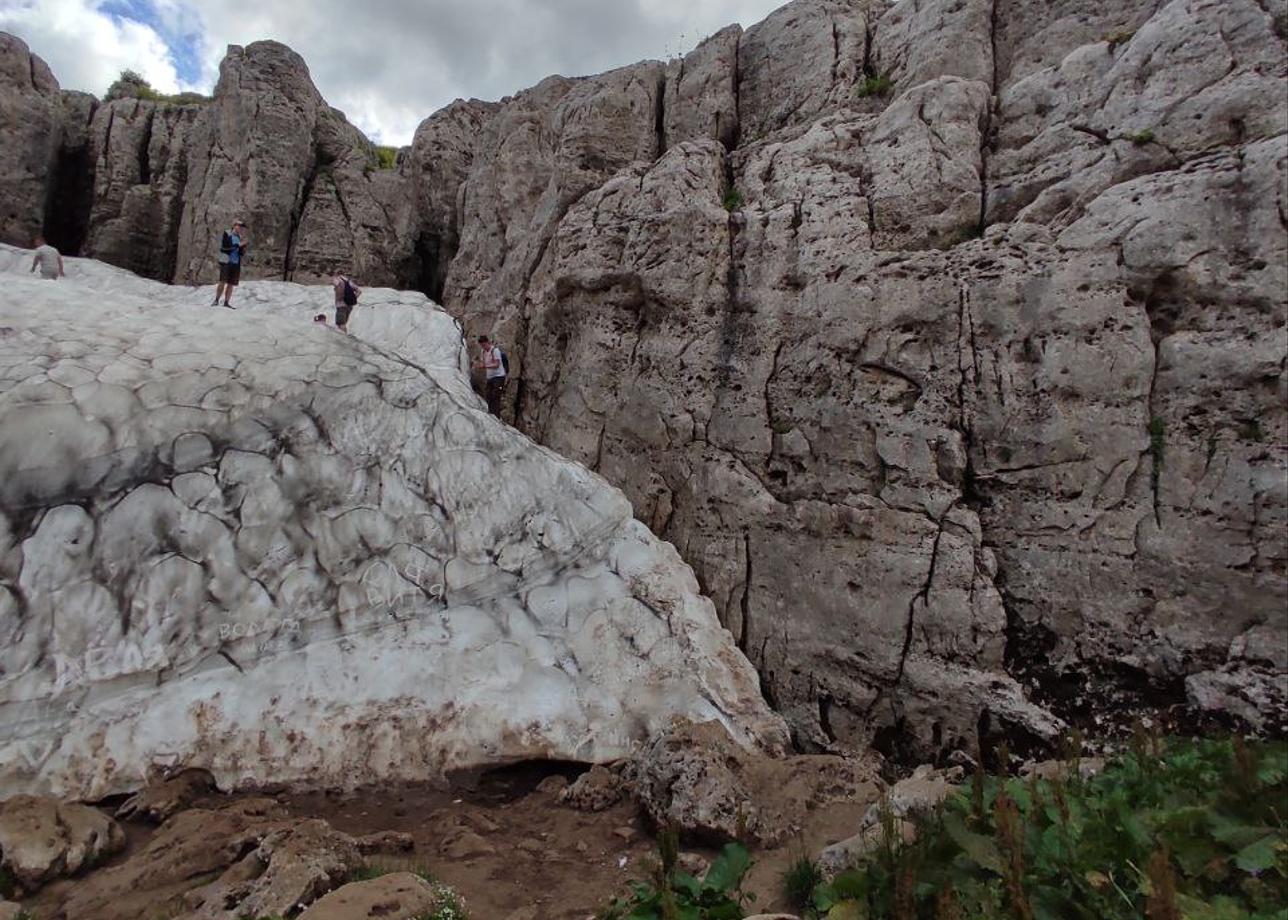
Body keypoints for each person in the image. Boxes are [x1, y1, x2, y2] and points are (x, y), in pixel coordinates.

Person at [213, 220, 248, 308]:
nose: (240, 228)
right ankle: (216, 300)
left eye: (242, 227)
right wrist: (239, 245)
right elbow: (225, 247)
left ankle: (226, 302)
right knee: (223, 281)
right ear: (234, 225)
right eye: (239, 226)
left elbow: (240, 252)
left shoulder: (240, 237)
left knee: (231, 283)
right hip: (226, 261)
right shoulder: (227, 233)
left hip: (236, 262)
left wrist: (243, 247)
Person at [474, 335, 507, 416]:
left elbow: (497, 364)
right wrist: (478, 365)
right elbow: (483, 362)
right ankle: (491, 414)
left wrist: (485, 366)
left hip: (499, 377)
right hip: (490, 378)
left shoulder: (495, 351)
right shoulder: (483, 352)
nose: (483, 347)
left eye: (484, 345)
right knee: (488, 395)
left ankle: (496, 416)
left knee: (496, 396)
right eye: (482, 345)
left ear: (488, 342)